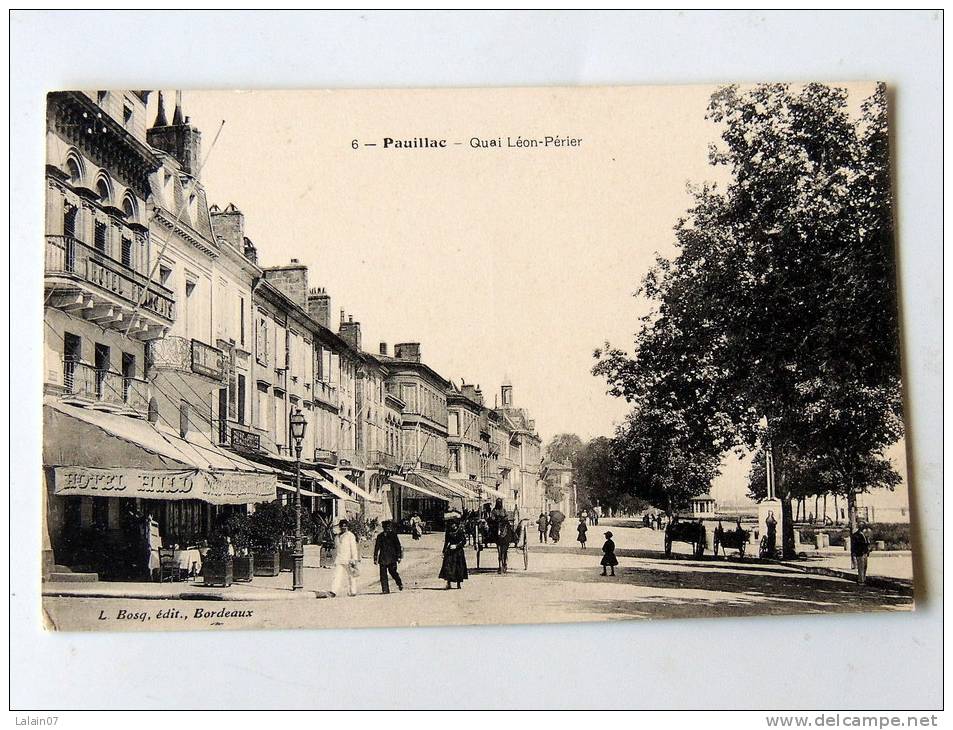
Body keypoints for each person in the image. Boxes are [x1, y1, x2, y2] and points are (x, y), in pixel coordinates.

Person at [330, 520, 360, 597]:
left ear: (347, 526)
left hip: (349, 559)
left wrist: (354, 559)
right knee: (337, 575)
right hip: (339, 558)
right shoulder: (337, 536)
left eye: (345, 526)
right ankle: (334, 591)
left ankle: (353, 591)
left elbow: (353, 548)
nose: (343, 527)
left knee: (351, 575)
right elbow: (336, 548)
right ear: (340, 527)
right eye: (342, 526)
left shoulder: (350, 535)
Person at [373, 520, 403, 594]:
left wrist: (399, 556)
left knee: (393, 572)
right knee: (383, 575)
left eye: (389, 527)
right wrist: (375, 557)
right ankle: (385, 589)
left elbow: (398, 546)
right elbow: (376, 548)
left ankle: (399, 583)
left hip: (392, 558)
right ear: (383, 528)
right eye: (386, 527)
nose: (387, 528)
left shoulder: (393, 535)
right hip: (383, 558)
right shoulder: (380, 536)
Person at [439, 518, 469, 589]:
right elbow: (446, 542)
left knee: (458, 567)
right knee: (448, 566)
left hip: (458, 552)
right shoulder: (448, 531)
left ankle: (458, 583)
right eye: (451, 524)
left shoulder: (460, 531)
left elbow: (464, 541)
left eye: (454, 524)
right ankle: (448, 583)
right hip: (450, 551)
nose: (453, 526)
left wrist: (457, 546)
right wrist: (443, 551)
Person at [850, 521, 871, 586]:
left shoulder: (864, 534)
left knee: (865, 567)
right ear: (858, 527)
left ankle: (864, 579)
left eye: (863, 526)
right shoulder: (855, 535)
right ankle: (860, 580)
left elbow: (866, 543)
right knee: (861, 567)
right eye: (860, 526)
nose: (862, 527)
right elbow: (853, 545)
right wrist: (853, 553)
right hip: (860, 553)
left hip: (865, 552)